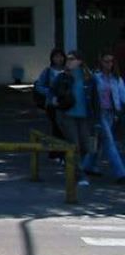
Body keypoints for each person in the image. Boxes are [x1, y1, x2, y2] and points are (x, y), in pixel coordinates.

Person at [52, 51, 96, 187]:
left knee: (85, 146)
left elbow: (95, 99)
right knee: (74, 145)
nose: (68, 61)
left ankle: (71, 163)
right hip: (67, 115)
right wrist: (53, 100)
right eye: (68, 59)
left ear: (80, 61)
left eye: (72, 59)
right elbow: (52, 91)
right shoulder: (62, 77)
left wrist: (96, 119)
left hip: (83, 116)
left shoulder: (88, 78)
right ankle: (79, 174)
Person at [86, 52, 125, 183]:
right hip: (99, 113)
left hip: (112, 114)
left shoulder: (117, 79)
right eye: (106, 61)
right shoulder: (96, 78)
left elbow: (122, 96)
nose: (109, 64)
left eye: (111, 61)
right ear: (101, 62)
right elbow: (90, 96)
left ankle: (87, 165)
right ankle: (120, 173)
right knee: (109, 141)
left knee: (100, 141)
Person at [34, 49, 68, 161]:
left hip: (64, 103)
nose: (59, 59)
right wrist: (50, 92)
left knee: (63, 127)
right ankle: (56, 152)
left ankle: (59, 151)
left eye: (61, 56)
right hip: (52, 104)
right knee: (56, 126)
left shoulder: (67, 71)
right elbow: (39, 86)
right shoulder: (48, 71)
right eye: (56, 57)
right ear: (52, 58)